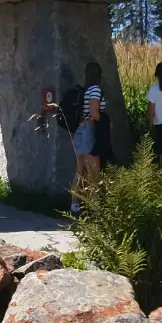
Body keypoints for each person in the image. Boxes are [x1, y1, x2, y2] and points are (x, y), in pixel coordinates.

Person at [71, 62, 103, 215]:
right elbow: (95, 113)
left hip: (80, 130)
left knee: (80, 170)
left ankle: (75, 206)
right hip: (89, 130)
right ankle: (94, 209)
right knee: (93, 173)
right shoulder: (95, 89)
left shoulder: (86, 90)